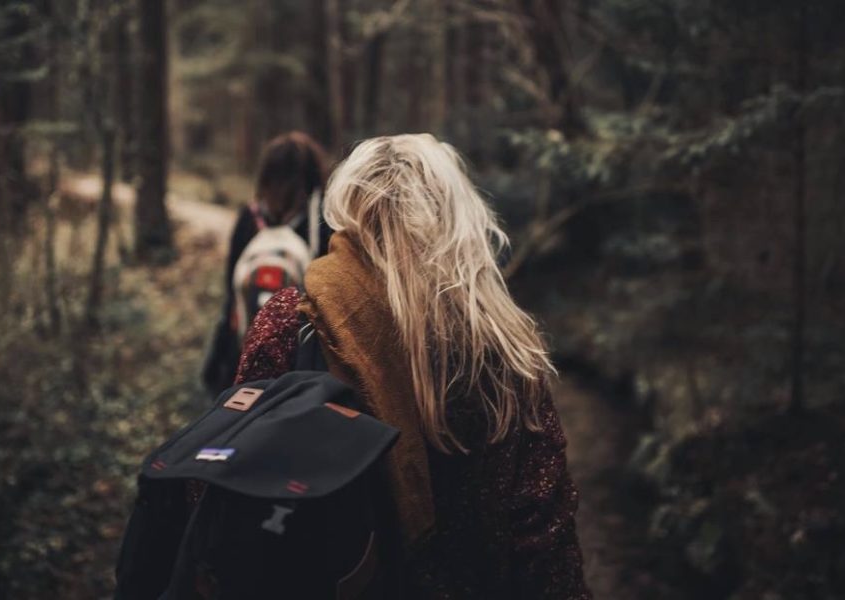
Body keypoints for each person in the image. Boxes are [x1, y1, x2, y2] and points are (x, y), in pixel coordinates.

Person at [233, 134, 591, 598]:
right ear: (456, 218)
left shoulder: (292, 321)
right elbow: (544, 533)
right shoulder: (503, 348)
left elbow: (234, 483)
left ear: (348, 210)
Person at [201, 131, 331, 395]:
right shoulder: (321, 224)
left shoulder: (249, 218)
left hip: (243, 355)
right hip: (301, 363)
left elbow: (231, 290)